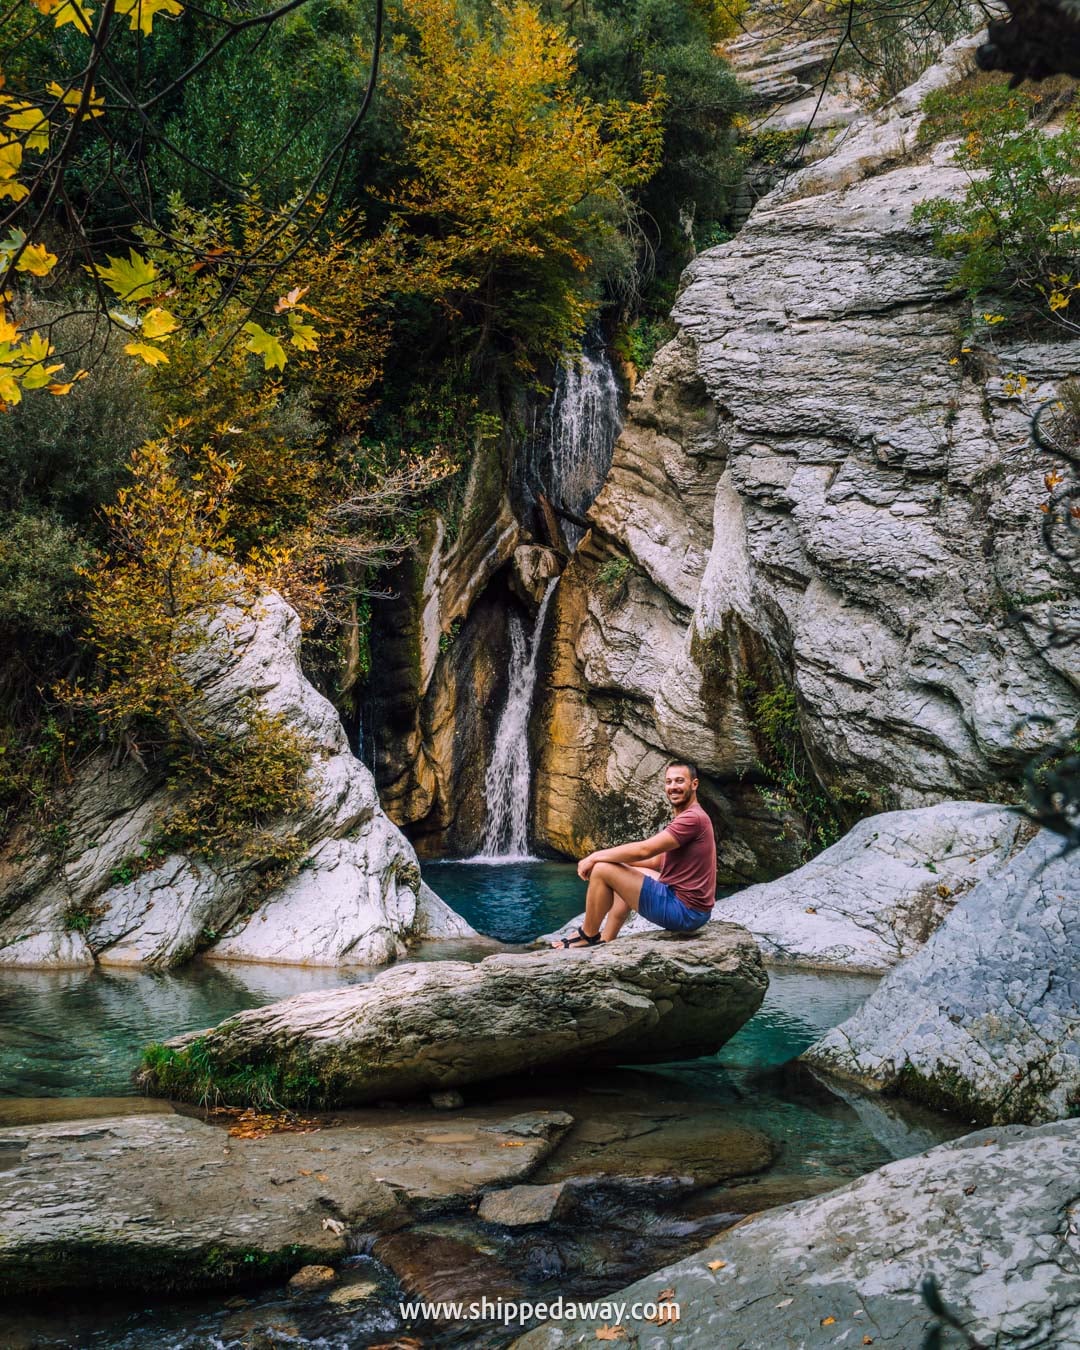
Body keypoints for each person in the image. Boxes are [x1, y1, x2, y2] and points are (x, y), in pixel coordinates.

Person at [551, 761, 716, 949]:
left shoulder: (692, 818)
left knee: (602, 870)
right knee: (622, 869)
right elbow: (655, 860)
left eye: (679, 781)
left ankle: (587, 934)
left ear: (694, 784)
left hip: (684, 912)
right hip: (693, 910)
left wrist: (595, 857)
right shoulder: (691, 815)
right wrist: (619, 866)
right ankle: (607, 938)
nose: (673, 787)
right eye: (668, 782)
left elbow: (645, 850)